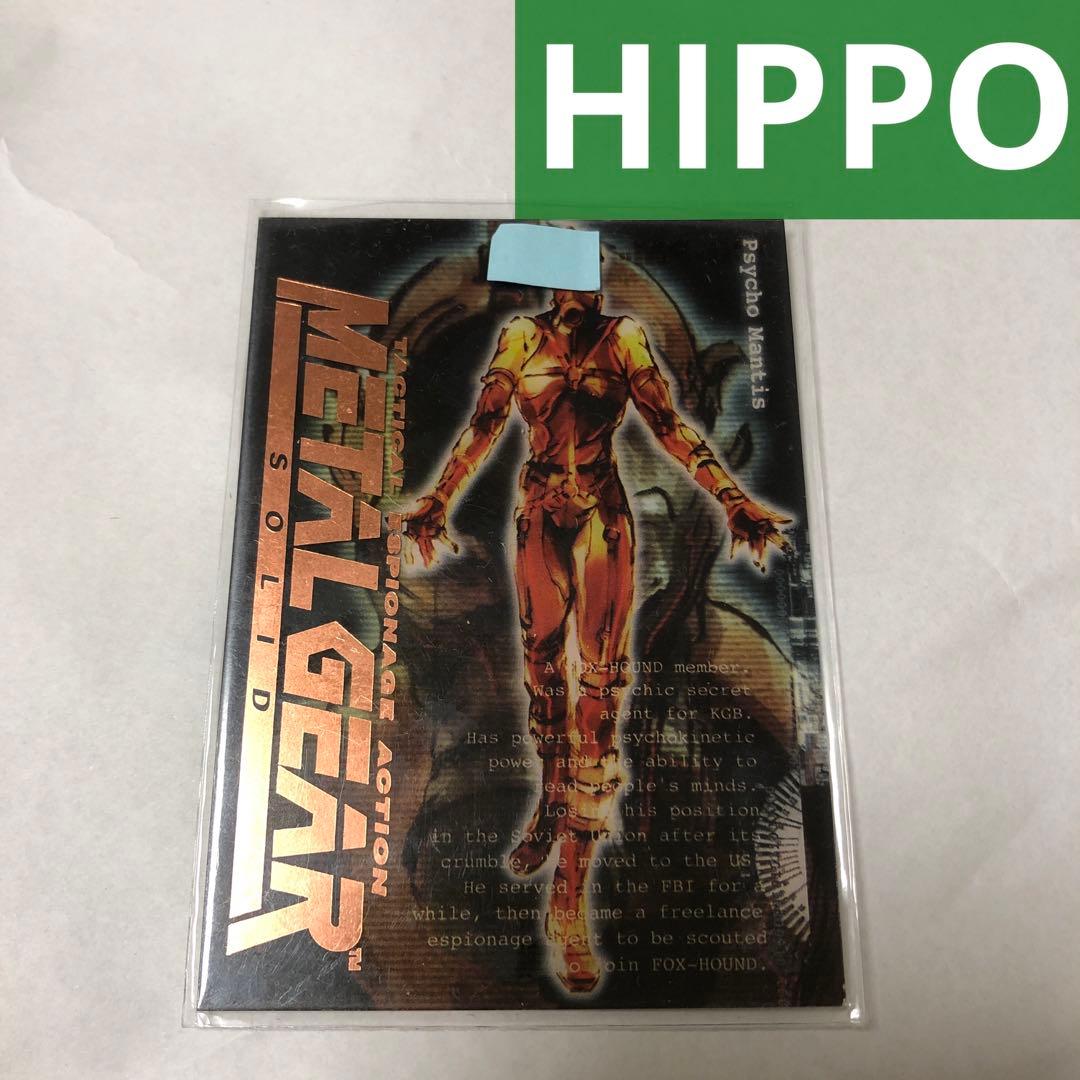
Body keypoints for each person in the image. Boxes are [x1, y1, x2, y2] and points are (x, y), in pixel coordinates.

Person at [404, 289, 791, 992]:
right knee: (544, 676)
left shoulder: (624, 339)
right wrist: (440, 497)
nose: (576, 291)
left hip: (600, 517)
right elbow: (486, 423)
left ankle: (569, 896)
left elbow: (668, 425)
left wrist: (731, 499)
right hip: (539, 513)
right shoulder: (521, 337)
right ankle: (552, 805)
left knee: (602, 691)